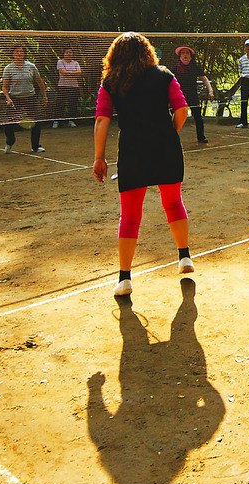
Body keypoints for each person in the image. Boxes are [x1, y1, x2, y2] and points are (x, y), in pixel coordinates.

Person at [92, 32, 196, 297]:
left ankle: (124, 278)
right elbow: (182, 110)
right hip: (165, 147)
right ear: (147, 52)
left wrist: (99, 157)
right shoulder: (164, 75)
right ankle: (184, 257)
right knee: (173, 202)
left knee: (129, 215)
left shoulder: (110, 82)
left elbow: (102, 121)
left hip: (132, 150)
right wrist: (169, 133)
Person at [1, 45, 49, 153]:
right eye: (16, 51)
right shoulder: (8, 68)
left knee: (36, 122)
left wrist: (44, 96)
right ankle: (10, 142)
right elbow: (4, 87)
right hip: (14, 99)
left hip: (30, 98)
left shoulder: (31, 66)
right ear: (13, 54)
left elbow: (40, 82)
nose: (19, 53)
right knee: (9, 123)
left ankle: (35, 146)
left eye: (21, 51)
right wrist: (8, 99)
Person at [173, 46, 214, 144]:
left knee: (197, 116)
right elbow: (169, 80)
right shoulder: (175, 68)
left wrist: (210, 91)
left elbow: (205, 79)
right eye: (183, 53)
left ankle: (201, 137)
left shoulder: (195, 67)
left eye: (187, 53)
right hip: (179, 96)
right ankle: (172, 138)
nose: (185, 55)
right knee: (175, 117)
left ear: (190, 56)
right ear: (180, 56)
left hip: (192, 95)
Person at [52, 47, 83, 128]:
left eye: (70, 52)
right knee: (60, 103)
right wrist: (73, 73)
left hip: (74, 86)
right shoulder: (60, 62)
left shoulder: (75, 63)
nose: (69, 54)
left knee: (73, 103)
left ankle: (71, 120)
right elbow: (63, 73)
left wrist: (68, 73)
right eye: (67, 52)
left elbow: (79, 72)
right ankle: (57, 121)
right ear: (63, 54)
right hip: (63, 86)